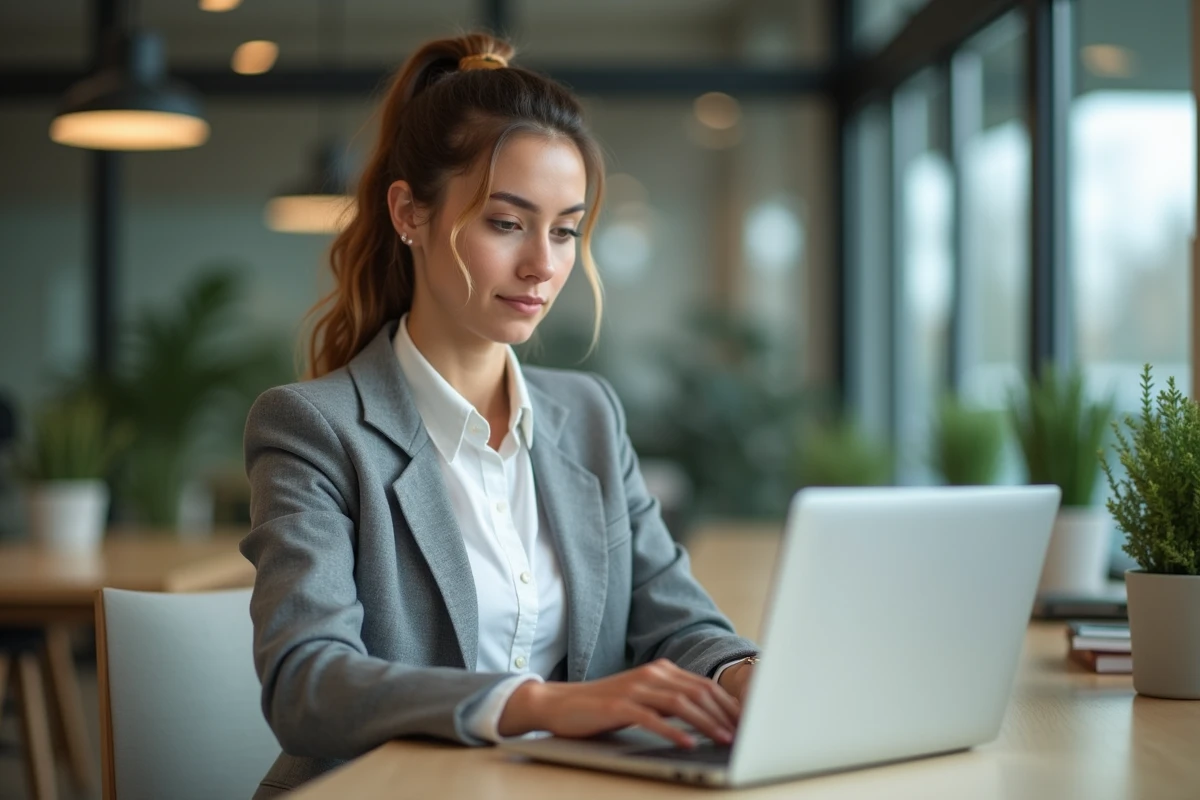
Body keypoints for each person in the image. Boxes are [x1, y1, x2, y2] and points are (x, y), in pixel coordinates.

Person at [241, 32, 759, 798]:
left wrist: (745, 674)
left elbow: (674, 621)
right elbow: (307, 683)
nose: (543, 265)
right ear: (409, 213)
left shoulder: (587, 414)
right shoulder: (314, 428)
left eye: (565, 230)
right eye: (507, 223)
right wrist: (540, 706)